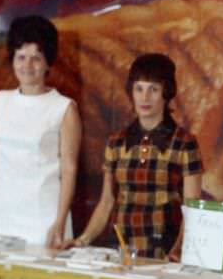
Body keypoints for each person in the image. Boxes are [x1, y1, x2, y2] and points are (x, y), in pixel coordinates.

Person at [0, 15, 81, 248]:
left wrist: (60, 221)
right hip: (0, 215)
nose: (27, 65)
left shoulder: (64, 108)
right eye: (21, 57)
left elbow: (69, 168)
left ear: (48, 63)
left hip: (43, 217)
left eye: (36, 58)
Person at [70, 52, 202, 259]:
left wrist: (178, 250)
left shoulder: (185, 143)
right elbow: (107, 202)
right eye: (139, 88)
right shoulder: (116, 142)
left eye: (153, 89)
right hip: (120, 249)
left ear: (167, 93)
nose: (145, 97)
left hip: (164, 252)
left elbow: (193, 209)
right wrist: (82, 240)